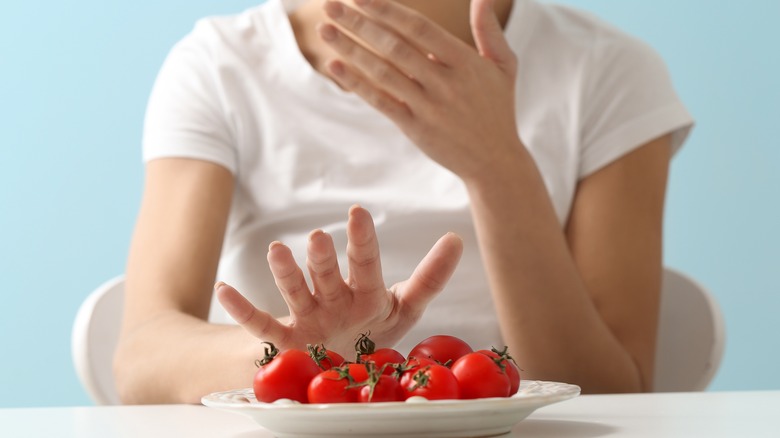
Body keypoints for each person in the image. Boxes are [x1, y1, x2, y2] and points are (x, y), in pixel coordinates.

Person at [114, 0, 693, 404]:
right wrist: (293, 357)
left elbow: (608, 392)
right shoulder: (219, 65)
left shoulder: (608, 70)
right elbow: (142, 354)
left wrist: (496, 165)